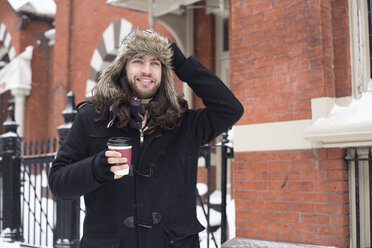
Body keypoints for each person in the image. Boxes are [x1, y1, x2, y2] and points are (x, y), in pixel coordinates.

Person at [49, 29, 243, 248]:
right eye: (138, 61)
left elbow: (230, 109)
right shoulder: (93, 117)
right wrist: (96, 168)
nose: (147, 71)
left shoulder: (183, 122)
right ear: (123, 67)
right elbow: (58, 183)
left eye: (156, 63)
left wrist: (181, 63)